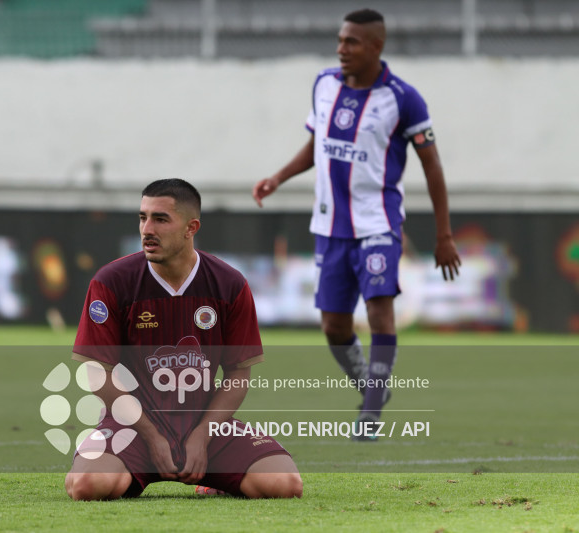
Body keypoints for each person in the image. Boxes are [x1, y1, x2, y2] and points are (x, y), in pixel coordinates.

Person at [252, 9, 461, 440]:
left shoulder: (403, 99)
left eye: (351, 42)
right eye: (340, 40)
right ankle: (370, 386)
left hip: (378, 225)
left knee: (380, 313)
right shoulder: (324, 84)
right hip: (329, 226)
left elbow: (433, 167)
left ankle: (369, 414)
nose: (341, 49)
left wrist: (444, 235)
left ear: (376, 47)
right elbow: (317, 144)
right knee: (334, 327)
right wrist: (278, 176)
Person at [65, 178, 303, 499]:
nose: (147, 228)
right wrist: (151, 436)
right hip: (132, 426)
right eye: (142, 217)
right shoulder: (111, 282)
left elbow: (237, 374)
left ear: (191, 227)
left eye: (160, 219)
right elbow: (97, 373)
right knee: (87, 486)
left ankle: (213, 479)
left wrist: (203, 435)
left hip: (205, 426)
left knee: (285, 486)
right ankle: (113, 459)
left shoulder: (229, 284)